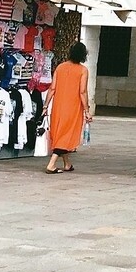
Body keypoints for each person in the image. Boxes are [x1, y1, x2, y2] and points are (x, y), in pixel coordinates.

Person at [45, 41, 93, 174]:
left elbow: (52, 88)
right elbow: (82, 92)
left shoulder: (60, 67)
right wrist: (87, 110)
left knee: (61, 133)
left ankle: (67, 163)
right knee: (66, 134)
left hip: (58, 106)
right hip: (73, 107)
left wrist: (45, 106)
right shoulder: (83, 70)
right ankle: (51, 164)